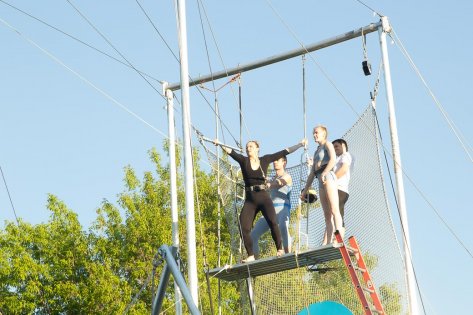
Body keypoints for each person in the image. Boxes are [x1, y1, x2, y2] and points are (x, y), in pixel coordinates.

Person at [214, 138, 306, 262]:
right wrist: (219, 144)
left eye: (251, 146)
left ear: (257, 148)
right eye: (247, 147)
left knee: (273, 221)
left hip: (263, 197)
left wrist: (300, 144)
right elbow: (231, 152)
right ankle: (251, 255)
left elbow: (285, 151)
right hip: (250, 199)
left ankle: (280, 248)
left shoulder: (265, 160)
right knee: (243, 226)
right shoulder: (244, 161)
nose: (248, 148)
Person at [300, 125, 344, 245]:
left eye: (317, 132)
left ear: (324, 133)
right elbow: (312, 173)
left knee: (335, 209)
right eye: (313, 133)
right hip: (320, 179)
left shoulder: (327, 144)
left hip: (328, 177)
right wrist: (305, 191)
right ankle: (328, 241)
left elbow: (333, 159)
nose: (314, 134)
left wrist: (324, 172)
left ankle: (338, 236)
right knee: (327, 215)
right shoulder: (316, 151)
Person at [251, 156, 292, 258]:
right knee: (253, 235)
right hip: (271, 211)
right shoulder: (271, 178)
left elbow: (279, 182)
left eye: (277, 160)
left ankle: (287, 255)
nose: (275, 162)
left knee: (283, 227)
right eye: (274, 161)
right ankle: (255, 262)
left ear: (284, 163)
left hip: (283, 208)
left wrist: (270, 184)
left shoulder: (287, 176)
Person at [332, 139, 353, 226]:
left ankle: (339, 237)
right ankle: (335, 236)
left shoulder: (346, 155)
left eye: (336, 146)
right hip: (335, 188)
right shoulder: (336, 159)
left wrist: (332, 180)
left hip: (340, 189)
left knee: (338, 214)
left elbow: (344, 169)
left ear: (343, 146)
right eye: (333, 147)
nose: (335, 149)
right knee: (334, 215)